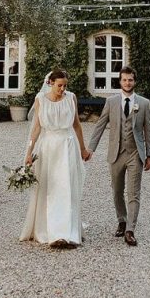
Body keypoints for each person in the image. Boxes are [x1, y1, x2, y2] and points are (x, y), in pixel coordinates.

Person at [20, 68, 91, 247]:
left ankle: (67, 232)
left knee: (66, 187)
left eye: (65, 85)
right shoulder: (40, 100)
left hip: (67, 146)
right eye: (59, 85)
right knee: (49, 187)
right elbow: (36, 128)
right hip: (49, 148)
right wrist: (29, 152)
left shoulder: (71, 98)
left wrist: (83, 148)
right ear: (50, 83)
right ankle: (49, 231)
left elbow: (77, 125)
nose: (62, 89)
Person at [88, 66, 150, 246]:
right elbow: (100, 125)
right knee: (117, 191)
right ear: (120, 81)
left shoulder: (144, 103)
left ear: (135, 81)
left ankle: (130, 230)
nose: (127, 83)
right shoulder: (111, 102)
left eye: (130, 80)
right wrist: (90, 149)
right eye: (124, 80)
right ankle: (122, 220)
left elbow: (149, 130)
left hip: (135, 153)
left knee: (134, 193)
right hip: (116, 154)